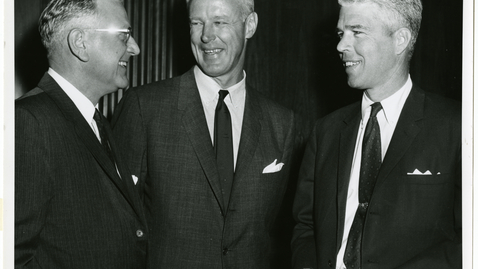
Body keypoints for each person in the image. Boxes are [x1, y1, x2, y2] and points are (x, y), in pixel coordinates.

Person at [111, 0, 296, 267]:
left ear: (250, 25)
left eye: (219, 22)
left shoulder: (284, 124)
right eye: (196, 23)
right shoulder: (144, 108)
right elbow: (116, 225)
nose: (206, 35)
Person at [291, 0, 461, 268]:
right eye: (340, 33)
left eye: (357, 31)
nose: (340, 46)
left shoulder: (457, 127)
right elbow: (305, 225)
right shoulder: (325, 131)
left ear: (400, 40)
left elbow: (467, 241)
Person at [15, 0, 147, 268]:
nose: (134, 48)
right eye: (124, 35)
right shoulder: (29, 122)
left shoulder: (98, 122)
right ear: (80, 43)